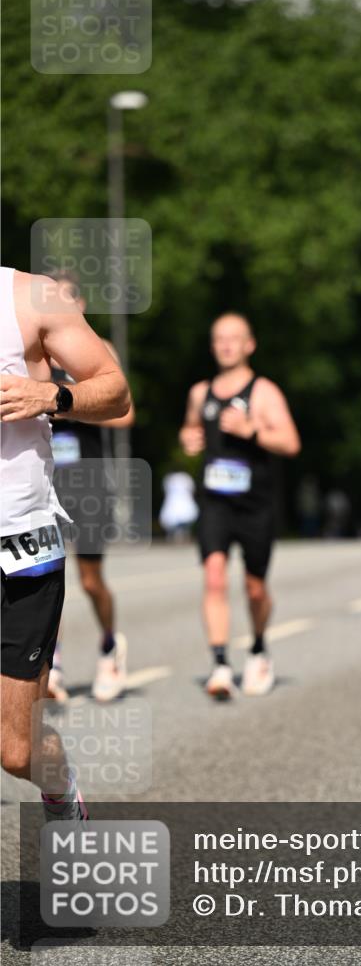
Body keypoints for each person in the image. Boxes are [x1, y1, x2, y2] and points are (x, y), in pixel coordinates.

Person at [1, 266, 130, 820]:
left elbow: (115, 390)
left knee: (15, 749)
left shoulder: (31, 297)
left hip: (19, 539)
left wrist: (48, 394)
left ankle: (60, 787)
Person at [180, 313, 300, 699]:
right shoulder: (201, 392)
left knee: (254, 588)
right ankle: (219, 663)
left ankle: (260, 648)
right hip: (215, 502)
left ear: (250, 345)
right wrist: (189, 439)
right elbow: (191, 427)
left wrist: (252, 430)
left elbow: (291, 443)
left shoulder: (263, 391)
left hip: (256, 504)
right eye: (219, 339)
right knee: (214, 576)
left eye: (234, 339)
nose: (226, 345)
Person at [47, 271, 135, 704]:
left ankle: (108, 648)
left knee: (90, 577)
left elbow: (125, 415)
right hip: (47, 480)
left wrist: (69, 404)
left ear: (80, 306)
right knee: (48, 574)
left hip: (90, 479)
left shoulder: (98, 352)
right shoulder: (34, 355)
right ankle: (53, 663)